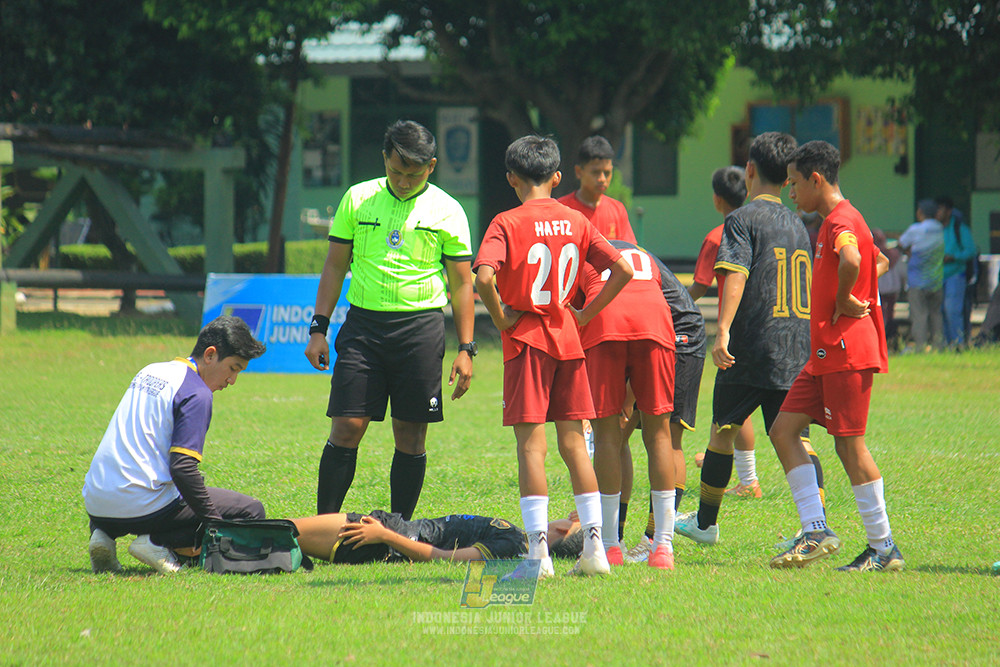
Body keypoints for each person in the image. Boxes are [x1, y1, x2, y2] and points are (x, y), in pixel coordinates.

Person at [473, 135, 634, 578]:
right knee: (575, 445)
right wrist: (584, 312)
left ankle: (538, 556)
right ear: (558, 176)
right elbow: (621, 268)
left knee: (531, 448)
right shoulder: (576, 221)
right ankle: (597, 550)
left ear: (511, 178)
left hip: (527, 339)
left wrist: (503, 319)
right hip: (568, 339)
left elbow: (484, 277)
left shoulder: (505, 221)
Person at [305, 120, 476, 521]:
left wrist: (467, 348)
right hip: (363, 328)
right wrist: (318, 328)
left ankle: (399, 532)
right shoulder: (357, 198)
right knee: (347, 424)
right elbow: (334, 266)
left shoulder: (448, 210)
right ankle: (323, 526)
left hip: (420, 329)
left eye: (413, 174)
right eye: (395, 171)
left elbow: (463, 283)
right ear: (384, 158)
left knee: (411, 434)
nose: (402, 181)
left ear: (431, 166)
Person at [675, 132, 817, 547]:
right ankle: (814, 523)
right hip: (795, 342)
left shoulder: (740, 219)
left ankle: (705, 524)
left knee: (723, 430)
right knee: (797, 437)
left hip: (752, 343)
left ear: (750, 170)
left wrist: (723, 331)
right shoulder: (798, 222)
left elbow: (735, 275)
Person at [769, 140, 903, 572]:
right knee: (784, 429)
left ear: (816, 179)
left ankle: (883, 548)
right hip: (825, 352)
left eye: (794, 184)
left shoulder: (840, 222)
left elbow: (852, 256)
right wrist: (859, 286)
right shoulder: (841, 220)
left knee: (850, 446)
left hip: (845, 350)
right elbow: (877, 260)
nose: (791, 193)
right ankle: (815, 529)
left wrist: (847, 296)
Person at [82, 315, 267, 574]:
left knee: (168, 492)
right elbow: (183, 468)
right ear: (210, 354)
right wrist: (215, 524)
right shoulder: (197, 393)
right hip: (142, 506)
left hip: (95, 501)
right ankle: (157, 542)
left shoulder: (150, 370)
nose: (232, 380)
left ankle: (102, 535)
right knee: (250, 510)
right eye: (234, 368)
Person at [574, 240, 680, 570]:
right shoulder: (644, 253)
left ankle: (609, 545)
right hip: (655, 322)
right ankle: (662, 546)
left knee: (607, 437)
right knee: (660, 435)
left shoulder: (583, 252)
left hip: (606, 322)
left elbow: (577, 312)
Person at [620, 249, 707, 563]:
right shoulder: (611, 251)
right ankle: (614, 534)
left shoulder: (602, 258)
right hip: (650, 334)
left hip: (679, 335)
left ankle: (656, 539)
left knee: (667, 437)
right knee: (619, 434)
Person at [689, 165, 759, 498]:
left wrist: (672, 305)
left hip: (734, 331)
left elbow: (700, 285)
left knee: (733, 405)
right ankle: (727, 460)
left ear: (717, 200)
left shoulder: (719, 236)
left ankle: (748, 480)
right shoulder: (761, 228)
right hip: (768, 325)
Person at [292, 511, 529, 563]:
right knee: (283, 533)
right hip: (387, 530)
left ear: (562, 532)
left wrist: (383, 535)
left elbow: (445, 558)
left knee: (283, 531)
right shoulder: (518, 534)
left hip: (379, 541)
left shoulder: (512, 544)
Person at [557, 135, 638, 244]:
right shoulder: (561, 209)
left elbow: (628, 252)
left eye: (607, 173)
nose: (602, 179)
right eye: (595, 172)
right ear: (579, 172)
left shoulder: (617, 210)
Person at [899, 199, 944, 352]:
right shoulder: (940, 228)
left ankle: (920, 346)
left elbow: (901, 243)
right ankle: (938, 345)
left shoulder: (916, 229)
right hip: (937, 280)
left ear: (921, 212)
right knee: (936, 314)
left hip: (917, 281)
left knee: (920, 315)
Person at [936, 196, 977, 348]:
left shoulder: (960, 229)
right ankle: (946, 344)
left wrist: (954, 257)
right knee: (940, 311)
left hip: (955, 274)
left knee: (952, 310)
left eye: (940, 209)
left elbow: (970, 251)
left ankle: (958, 343)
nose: (937, 213)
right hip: (937, 276)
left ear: (949, 211)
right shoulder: (934, 229)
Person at [873, 228, 906, 346]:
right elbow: (902, 272)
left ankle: (882, 340)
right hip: (893, 289)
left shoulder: (871, 253)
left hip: (878, 290)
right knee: (890, 314)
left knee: (880, 315)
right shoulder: (894, 254)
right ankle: (888, 340)